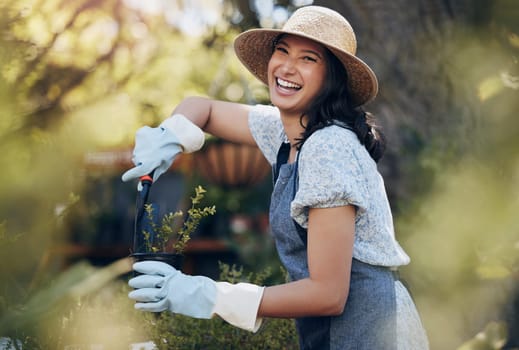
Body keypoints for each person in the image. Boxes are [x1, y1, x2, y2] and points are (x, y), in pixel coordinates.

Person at [122, 5, 429, 350]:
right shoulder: (289, 132)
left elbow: (329, 294)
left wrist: (209, 295)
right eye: (282, 51)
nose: (287, 66)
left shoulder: (328, 148)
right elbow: (204, 109)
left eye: (308, 59)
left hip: (374, 334)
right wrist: (170, 135)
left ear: (332, 80)